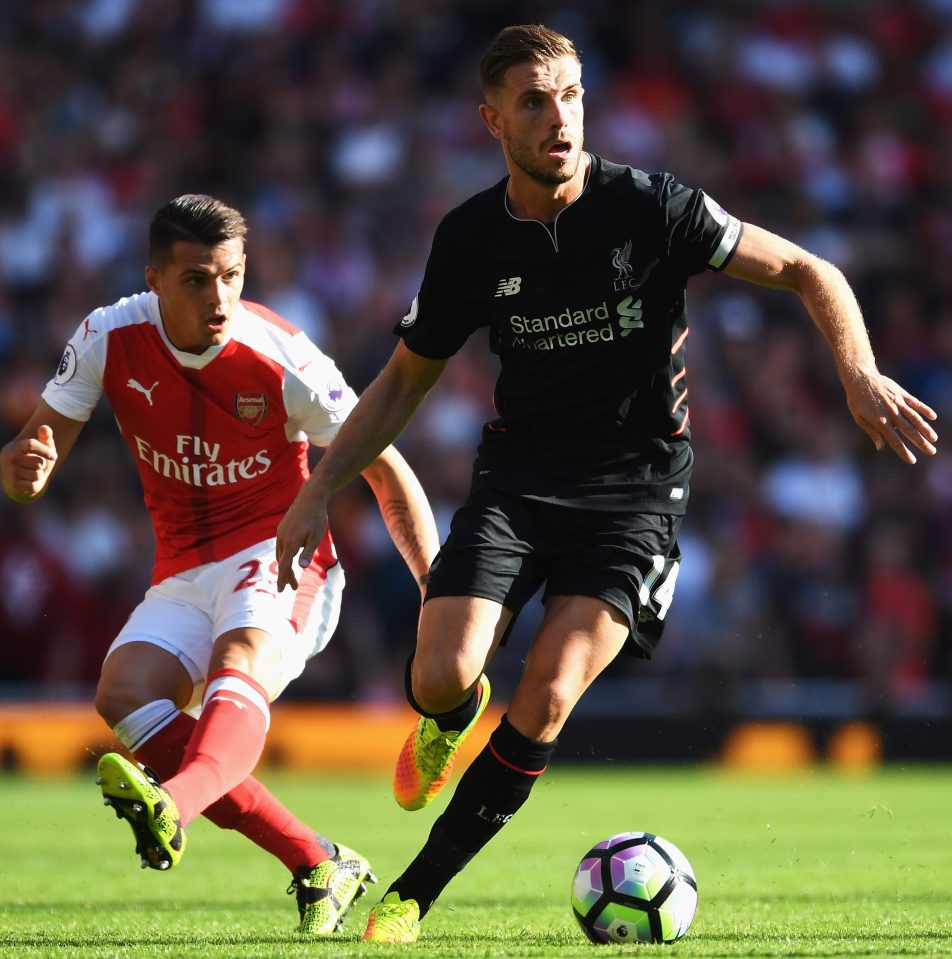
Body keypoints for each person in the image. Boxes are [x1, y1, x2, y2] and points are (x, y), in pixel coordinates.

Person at [274, 24, 939, 943]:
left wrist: (859, 373)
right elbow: (399, 383)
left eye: (573, 95)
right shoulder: (470, 239)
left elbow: (806, 268)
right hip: (518, 482)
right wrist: (316, 492)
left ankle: (412, 894)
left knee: (546, 698)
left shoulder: (652, 207)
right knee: (438, 673)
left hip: (634, 497)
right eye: (536, 101)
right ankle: (450, 713)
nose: (561, 118)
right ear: (492, 120)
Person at [0, 194, 440, 937]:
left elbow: (385, 467)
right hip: (181, 568)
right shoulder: (109, 335)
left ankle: (174, 805)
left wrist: (439, 592)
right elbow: (30, 455)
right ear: (156, 280)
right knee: (124, 693)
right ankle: (317, 858)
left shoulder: (282, 355)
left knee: (241, 656)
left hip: (282, 555)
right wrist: (21, 470)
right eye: (198, 279)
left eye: (232, 276)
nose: (220, 297)